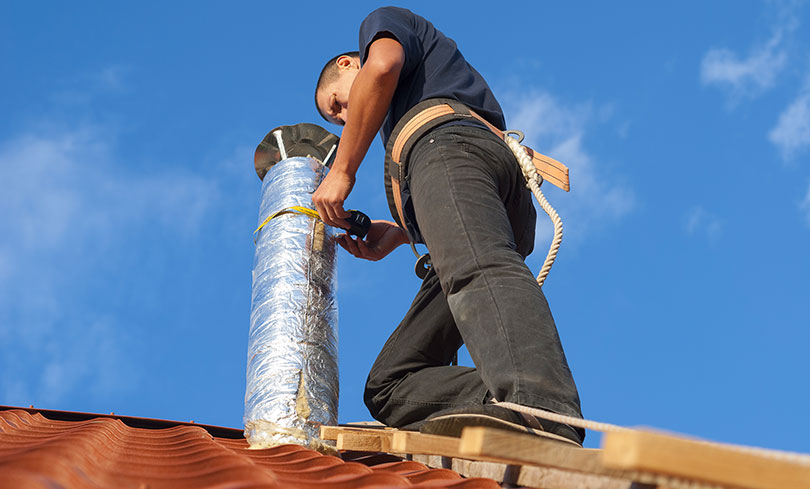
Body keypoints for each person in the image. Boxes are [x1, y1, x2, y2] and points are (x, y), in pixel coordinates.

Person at [312, 6, 585, 445]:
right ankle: (503, 404)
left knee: (477, 272)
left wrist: (343, 170)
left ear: (348, 64)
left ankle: (542, 409)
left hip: (451, 147)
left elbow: (381, 68)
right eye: (339, 119)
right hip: (472, 182)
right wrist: (402, 234)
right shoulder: (404, 120)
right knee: (390, 385)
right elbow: (462, 206)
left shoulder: (380, 26)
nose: (345, 119)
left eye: (338, 104)